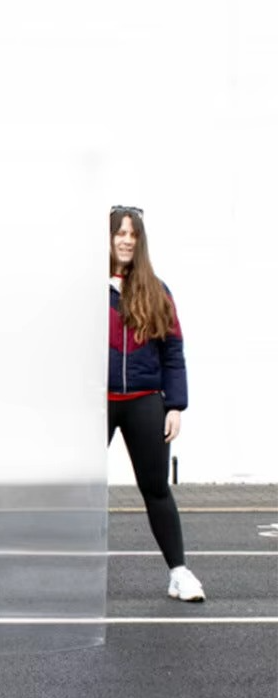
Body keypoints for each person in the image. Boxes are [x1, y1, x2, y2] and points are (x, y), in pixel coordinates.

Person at [108, 205, 205, 602]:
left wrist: (175, 405)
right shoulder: (84, 291)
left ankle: (179, 573)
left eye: (133, 234)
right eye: (119, 233)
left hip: (145, 401)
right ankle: (57, 577)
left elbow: (173, 351)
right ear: (108, 238)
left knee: (156, 489)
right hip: (97, 404)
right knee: (75, 491)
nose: (126, 240)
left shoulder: (156, 290)